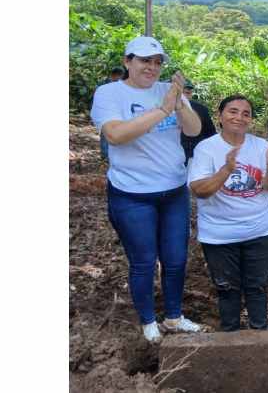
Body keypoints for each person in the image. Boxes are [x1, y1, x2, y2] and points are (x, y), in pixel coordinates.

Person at [90, 36, 204, 343]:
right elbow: (116, 135)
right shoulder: (109, 93)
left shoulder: (167, 90)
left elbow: (193, 129)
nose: (151, 67)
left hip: (173, 191)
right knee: (143, 261)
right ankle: (148, 320)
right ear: (127, 61)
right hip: (132, 194)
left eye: (157, 62)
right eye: (144, 61)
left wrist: (178, 104)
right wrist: (163, 110)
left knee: (176, 259)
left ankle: (174, 316)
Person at [188, 95, 268, 332]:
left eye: (246, 114)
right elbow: (200, 190)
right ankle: (230, 337)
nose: (239, 117)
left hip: (259, 231)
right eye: (233, 111)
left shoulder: (262, 146)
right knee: (227, 289)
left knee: (257, 287)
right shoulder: (206, 148)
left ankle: (260, 335)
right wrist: (226, 170)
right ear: (220, 116)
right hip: (219, 235)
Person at [181, 82, 217, 165]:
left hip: (194, 155)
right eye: (181, 92)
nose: (183, 96)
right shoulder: (161, 107)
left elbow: (211, 134)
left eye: (187, 93)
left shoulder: (200, 109)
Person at [98, 67, 125, 162]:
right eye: (117, 77)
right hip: (106, 113)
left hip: (118, 114)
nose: (119, 80)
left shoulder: (122, 86)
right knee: (105, 134)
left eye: (120, 78)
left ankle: (112, 155)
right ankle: (105, 155)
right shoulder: (104, 86)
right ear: (113, 76)